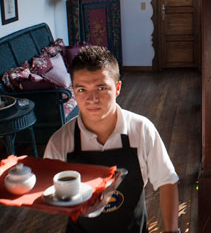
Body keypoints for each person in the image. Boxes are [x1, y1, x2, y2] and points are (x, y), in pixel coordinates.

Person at [44, 46, 180, 233]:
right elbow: (47, 193)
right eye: (82, 89)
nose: (92, 98)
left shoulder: (141, 130)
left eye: (101, 88)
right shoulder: (60, 142)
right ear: (74, 91)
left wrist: (172, 231)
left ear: (117, 88)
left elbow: (167, 182)